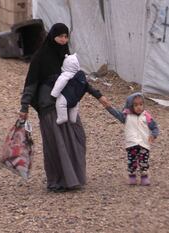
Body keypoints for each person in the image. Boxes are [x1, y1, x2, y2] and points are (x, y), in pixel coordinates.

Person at [19, 23, 109, 192]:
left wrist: (98, 95)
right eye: (60, 36)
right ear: (52, 36)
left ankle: (73, 178)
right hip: (49, 106)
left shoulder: (67, 57)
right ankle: (57, 181)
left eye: (66, 36)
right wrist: (24, 108)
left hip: (68, 103)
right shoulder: (41, 57)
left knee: (77, 139)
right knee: (56, 145)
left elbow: (79, 80)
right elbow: (30, 84)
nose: (63, 39)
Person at [105, 92, 159, 186]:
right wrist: (108, 107)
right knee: (132, 161)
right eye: (136, 105)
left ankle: (144, 177)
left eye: (141, 104)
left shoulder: (146, 116)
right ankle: (132, 177)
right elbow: (117, 114)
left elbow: (154, 127)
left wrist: (153, 135)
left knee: (144, 162)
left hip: (144, 144)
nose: (139, 107)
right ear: (130, 105)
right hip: (131, 144)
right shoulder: (126, 116)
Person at [50, 53, 81, 124]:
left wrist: (54, 95)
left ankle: (62, 118)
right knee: (74, 108)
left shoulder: (65, 76)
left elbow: (59, 85)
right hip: (75, 97)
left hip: (65, 97)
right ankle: (73, 119)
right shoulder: (78, 76)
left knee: (60, 104)